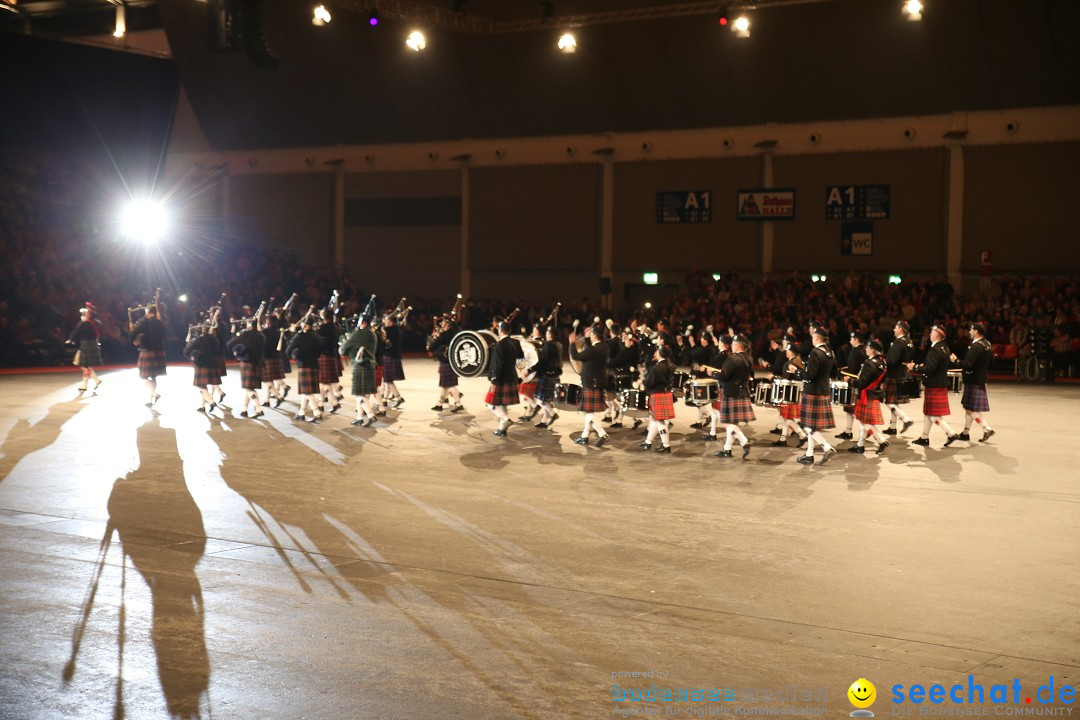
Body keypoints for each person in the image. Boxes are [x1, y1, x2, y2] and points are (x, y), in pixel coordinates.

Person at [791, 327, 838, 465]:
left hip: (812, 391)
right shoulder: (830, 352)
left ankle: (826, 447)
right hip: (823, 390)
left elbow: (809, 376)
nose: (812, 339)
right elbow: (834, 373)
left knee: (807, 425)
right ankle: (809, 454)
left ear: (817, 338)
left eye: (813, 337)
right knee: (812, 425)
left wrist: (796, 371)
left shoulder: (816, 352)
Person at [909, 324, 960, 447]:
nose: (930, 334)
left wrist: (915, 367)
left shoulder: (935, 349)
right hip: (940, 383)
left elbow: (930, 369)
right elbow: (935, 366)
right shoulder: (945, 348)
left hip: (934, 385)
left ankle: (951, 433)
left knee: (933, 415)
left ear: (937, 335)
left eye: (932, 333)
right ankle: (924, 437)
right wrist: (924, 366)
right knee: (928, 412)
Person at [709, 335, 754, 459]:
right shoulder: (748, 358)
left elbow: (724, 375)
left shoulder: (733, 359)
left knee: (728, 423)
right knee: (733, 423)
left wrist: (713, 373)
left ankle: (744, 442)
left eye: (734, 344)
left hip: (731, 393)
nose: (732, 346)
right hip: (742, 392)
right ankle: (727, 449)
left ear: (738, 345)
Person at [951, 322, 996, 443]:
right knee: (970, 408)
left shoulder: (976, 346)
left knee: (969, 408)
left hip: (973, 380)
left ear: (976, 331)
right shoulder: (987, 344)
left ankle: (986, 428)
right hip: (981, 379)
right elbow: (991, 363)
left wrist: (956, 361)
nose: (969, 332)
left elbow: (969, 365)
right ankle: (965, 432)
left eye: (971, 330)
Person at [569, 323, 610, 446]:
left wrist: (572, 343)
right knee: (589, 412)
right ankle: (584, 436)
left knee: (589, 412)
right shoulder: (603, 347)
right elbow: (590, 349)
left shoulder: (593, 350)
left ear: (595, 335)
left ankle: (602, 434)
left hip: (591, 383)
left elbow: (576, 356)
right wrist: (587, 338)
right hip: (597, 382)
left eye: (591, 334)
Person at [848, 340, 889, 454]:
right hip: (874, 392)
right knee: (864, 422)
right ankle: (860, 445)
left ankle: (882, 441)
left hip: (867, 394)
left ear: (872, 350)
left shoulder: (869, 363)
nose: (866, 349)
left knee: (865, 423)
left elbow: (862, 382)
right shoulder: (882, 362)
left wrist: (851, 381)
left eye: (868, 348)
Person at [340, 315, 378, 427]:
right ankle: (359, 417)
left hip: (360, 365)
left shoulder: (358, 334)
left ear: (362, 322)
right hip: (371, 365)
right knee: (363, 394)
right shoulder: (373, 334)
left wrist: (344, 341)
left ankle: (371, 415)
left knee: (358, 394)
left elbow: (343, 349)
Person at [487, 321, 524, 437]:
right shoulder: (516, 342)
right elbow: (521, 359)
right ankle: (502, 429)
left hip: (500, 378)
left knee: (490, 403)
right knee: (503, 404)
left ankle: (505, 419)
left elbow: (497, 364)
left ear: (500, 330)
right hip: (512, 376)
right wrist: (519, 371)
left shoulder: (499, 345)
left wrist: (494, 379)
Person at [771, 340, 808, 448]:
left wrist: (773, 378)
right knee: (785, 417)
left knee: (787, 418)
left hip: (788, 394)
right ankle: (783, 438)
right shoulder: (799, 362)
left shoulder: (789, 364)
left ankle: (802, 435)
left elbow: (785, 380)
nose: (786, 352)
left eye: (787, 350)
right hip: (795, 394)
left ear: (792, 352)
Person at [287, 316, 323, 423]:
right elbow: (320, 350)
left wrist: (292, 335)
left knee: (307, 392)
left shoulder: (300, 336)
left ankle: (317, 413)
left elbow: (289, 349)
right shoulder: (316, 336)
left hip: (303, 365)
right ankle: (301, 413)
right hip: (314, 364)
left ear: (305, 325)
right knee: (305, 391)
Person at [228, 319, 266, 419]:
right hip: (257, 363)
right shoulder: (261, 336)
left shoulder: (245, 335)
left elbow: (230, 344)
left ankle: (258, 409)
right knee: (248, 388)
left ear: (249, 325)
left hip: (247, 363)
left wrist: (238, 351)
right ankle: (244, 410)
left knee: (249, 388)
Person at [640, 346, 675, 453]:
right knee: (655, 419)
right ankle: (648, 442)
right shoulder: (669, 366)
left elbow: (649, 383)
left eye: (657, 351)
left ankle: (666, 445)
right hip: (665, 394)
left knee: (659, 421)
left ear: (660, 353)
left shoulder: (657, 367)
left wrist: (643, 380)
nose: (655, 353)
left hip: (657, 395)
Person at [883, 321, 916, 435]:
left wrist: (884, 362)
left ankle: (906, 419)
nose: (894, 330)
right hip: (903, 374)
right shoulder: (909, 342)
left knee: (888, 401)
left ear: (901, 329)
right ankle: (892, 427)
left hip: (894, 374)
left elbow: (892, 361)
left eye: (895, 328)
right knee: (894, 402)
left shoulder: (898, 342)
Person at [132, 305, 167, 407]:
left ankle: (154, 394)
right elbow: (164, 335)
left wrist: (136, 339)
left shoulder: (144, 322)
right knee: (153, 376)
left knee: (144, 376)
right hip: (158, 351)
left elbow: (135, 333)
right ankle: (150, 398)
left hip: (147, 351)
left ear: (148, 311)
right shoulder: (160, 323)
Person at [429, 316, 464, 413]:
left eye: (444, 323)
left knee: (449, 385)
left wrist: (430, 346)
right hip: (451, 361)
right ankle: (439, 404)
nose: (442, 324)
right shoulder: (455, 333)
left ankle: (458, 404)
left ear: (448, 325)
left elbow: (434, 345)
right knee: (444, 385)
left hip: (446, 362)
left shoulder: (446, 334)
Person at [836, 331, 867, 440]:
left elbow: (853, 368)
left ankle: (858, 430)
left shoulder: (854, 351)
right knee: (852, 408)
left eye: (852, 339)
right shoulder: (865, 350)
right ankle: (848, 430)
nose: (850, 341)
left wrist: (845, 374)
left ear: (857, 340)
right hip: (862, 382)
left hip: (853, 381)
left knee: (850, 408)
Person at [532, 326, 563, 429]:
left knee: (540, 399)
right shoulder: (559, 344)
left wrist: (531, 369)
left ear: (550, 335)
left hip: (547, 374)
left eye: (547, 333)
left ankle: (553, 414)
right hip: (556, 374)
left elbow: (543, 361)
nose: (545, 334)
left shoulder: (548, 345)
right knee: (547, 400)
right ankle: (544, 421)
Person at [67, 304, 102, 394]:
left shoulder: (85, 323)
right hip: (93, 344)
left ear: (89, 313)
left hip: (86, 345)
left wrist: (71, 339)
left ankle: (94, 380)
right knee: (86, 366)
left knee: (84, 366)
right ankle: (86, 385)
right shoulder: (96, 322)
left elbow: (76, 331)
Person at [382, 314, 406, 409]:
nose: (384, 321)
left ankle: (398, 397)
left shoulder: (388, 330)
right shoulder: (397, 329)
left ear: (390, 321)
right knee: (387, 379)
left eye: (385, 319)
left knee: (388, 379)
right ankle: (384, 399)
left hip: (389, 356)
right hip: (394, 355)